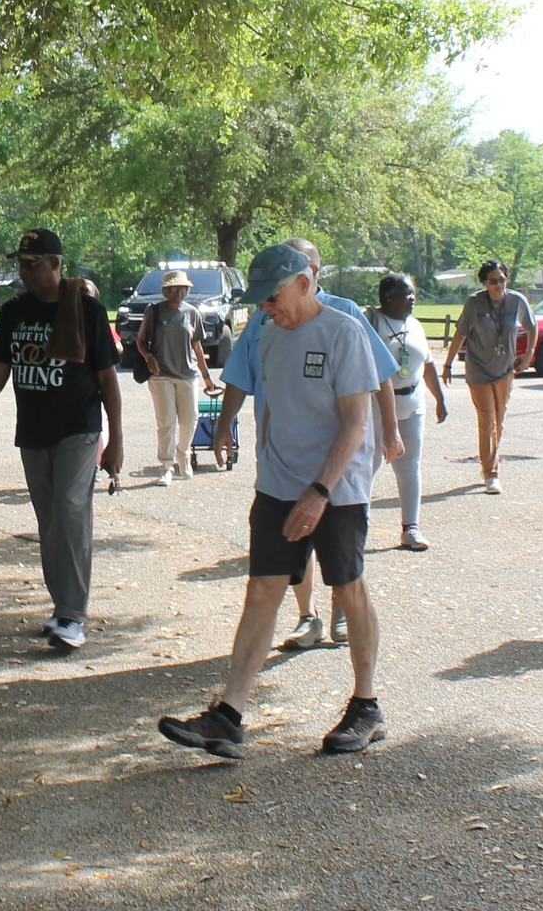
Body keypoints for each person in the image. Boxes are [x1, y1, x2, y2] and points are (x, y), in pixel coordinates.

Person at [159, 243, 386, 758]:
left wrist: (321, 491)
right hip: (278, 489)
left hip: (338, 492)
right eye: (260, 299)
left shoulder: (344, 332)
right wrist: (260, 465)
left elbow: (356, 421)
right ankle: (229, 716)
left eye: (274, 296)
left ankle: (366, 705)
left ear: (305, 283)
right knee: (262, 592)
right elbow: (266, 406)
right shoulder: (266, 336)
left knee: (348, 589)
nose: (266, 307)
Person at [215, 236, 402, 648]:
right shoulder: (268, 321)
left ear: (309, 278)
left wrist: (389, 428)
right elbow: (243, 373)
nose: (266, 304)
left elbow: (379, 378)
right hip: (281, 462)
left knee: (344, 567)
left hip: (334, 469)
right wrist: (227, 424)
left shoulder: (346, 318)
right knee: (278, 567)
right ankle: (307, 615)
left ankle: (341, 618)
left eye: (314, 268)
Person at [0, 229, 123, 650]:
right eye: (21, 264)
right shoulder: (14, 312)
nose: (25, 272)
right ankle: (61, 605)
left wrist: (116, 437)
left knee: (71, 511)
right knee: (49, 522)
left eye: (33, 264)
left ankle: (73, 616)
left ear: (56, 264)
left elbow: (107, 379)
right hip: (33, 431)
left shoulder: (88, 310)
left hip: (79, 428)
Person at [365, 272, 448, 551]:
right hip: (376, 407)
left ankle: (410, 528)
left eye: (413, 293)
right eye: (406, 293)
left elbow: (428, 364)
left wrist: (440, 398)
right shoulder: (371, 321)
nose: (412, 298)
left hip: (413, 404)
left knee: (409, 466)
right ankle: (356, 525)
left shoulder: (414, 325)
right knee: (368, 466)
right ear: (388, 297)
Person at [441, 260, 536, 493]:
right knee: (487, 421)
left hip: (505, 370)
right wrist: (448, 364)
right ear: (484, 282)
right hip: (479, 370)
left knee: (498, 421)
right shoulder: (475, 303)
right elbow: (460, 334)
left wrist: (529, 354)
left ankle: (491, 458)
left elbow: (532, 326)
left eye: (502, 280)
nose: (498, 285)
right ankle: (491, 474)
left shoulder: (517, 301)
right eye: (493, 281)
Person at [138, 268, 220, 484]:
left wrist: (206, 376)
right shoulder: (153, 311)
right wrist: (148, 357)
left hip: (187, 374)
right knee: (166, 421)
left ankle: (182, 454)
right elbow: (139, 340)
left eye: (183, 289)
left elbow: (198, 348)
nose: (180, 293)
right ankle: (166, 466)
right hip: (160, 374)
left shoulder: (192, 312)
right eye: (176, 289)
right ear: (167, 291)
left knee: (190, 418)